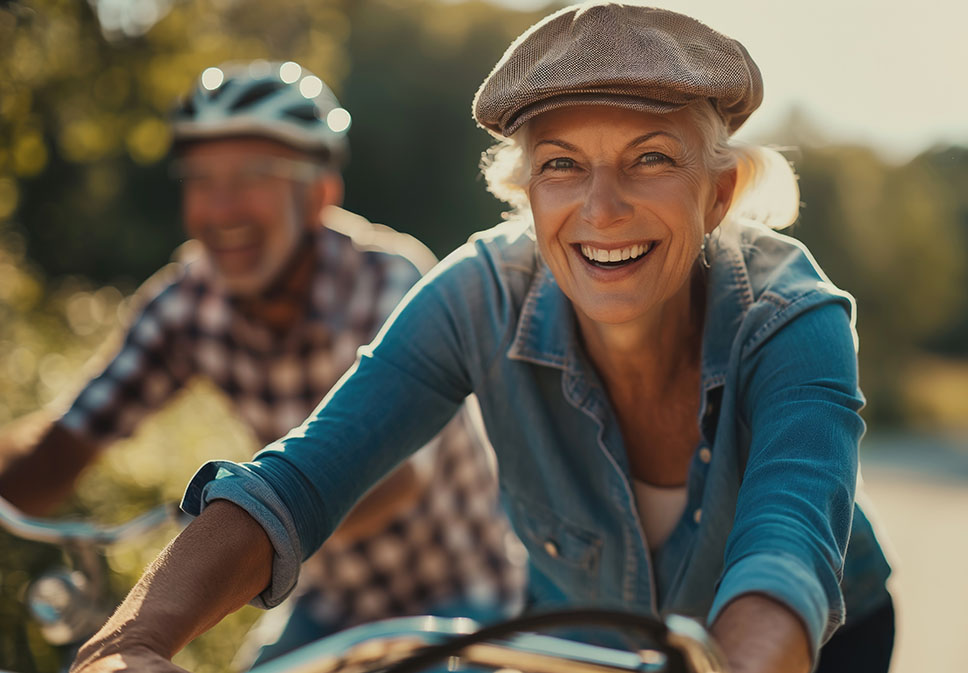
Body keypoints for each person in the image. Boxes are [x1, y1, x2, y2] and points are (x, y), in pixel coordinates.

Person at [70, 6, 894, 673]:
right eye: (563, 166)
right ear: (526, 193)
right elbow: (299, 479)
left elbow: (783, 556)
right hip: (588, 646)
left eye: (649, 159)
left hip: (809, 646)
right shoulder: (478, 294)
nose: (600, 210)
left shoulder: (792, 319)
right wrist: (129, 642)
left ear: (716, 195)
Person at [0, 61, 523, 663]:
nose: (220, 208)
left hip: (462, 601)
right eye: (199, 179)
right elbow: (69, 436)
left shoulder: (386, 280)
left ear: (321, 193)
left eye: (253, 176)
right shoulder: (188, 303)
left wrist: (220, 529)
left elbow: (394, 480)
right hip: (324, 604)